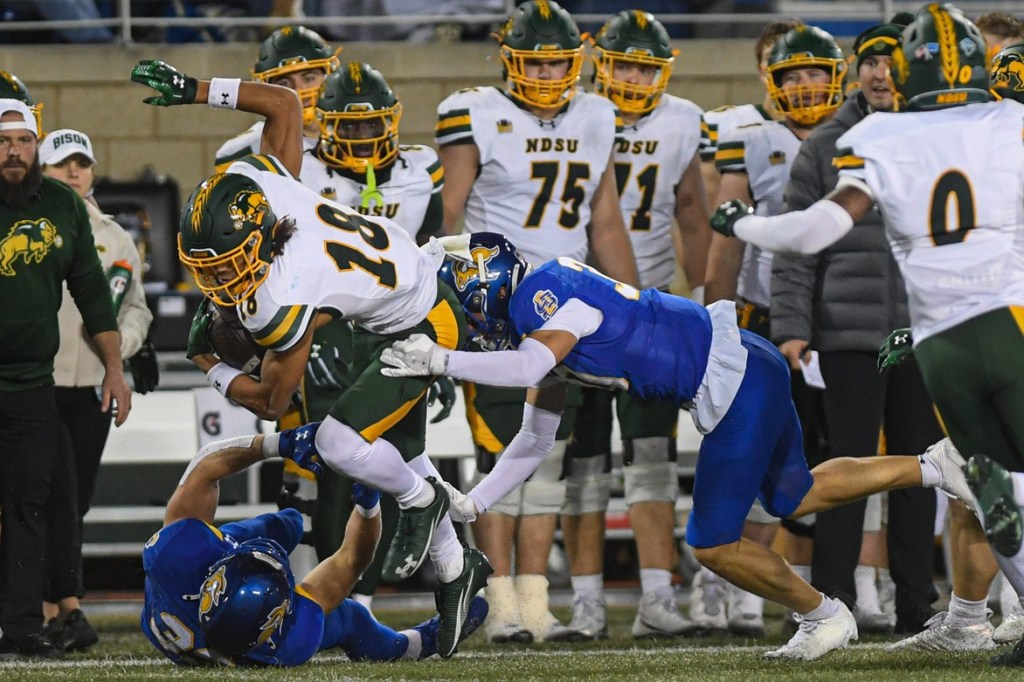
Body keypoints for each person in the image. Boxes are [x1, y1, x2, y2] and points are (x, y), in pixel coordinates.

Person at [378, 230, 973, 661]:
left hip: (731, 378)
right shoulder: (544, 325)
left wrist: (440, 361)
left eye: (461, 305)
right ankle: (933, 466)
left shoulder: (541, 298)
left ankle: (824, 615)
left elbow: (528, 364)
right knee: (795, 493)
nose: (464, 322)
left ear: (482, 289)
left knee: (712, 543)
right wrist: (475, 502)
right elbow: (534, 439)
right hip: (747, 359)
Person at [130, 58, 489, 659]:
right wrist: (196, 90)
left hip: (422, 319)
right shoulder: (260, 183)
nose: (217, 281)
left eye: (226, 265)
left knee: (337, 442)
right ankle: (457, 570)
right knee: (403, 451)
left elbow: (272, 402)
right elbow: (285, 104)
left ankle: (422, 504)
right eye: (206, 268)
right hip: (391, 303)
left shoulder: (282, 293)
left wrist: (210, 365)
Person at [709, 2, 1024, 666]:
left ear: (906, 74)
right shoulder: (1009, 120)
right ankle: (978, 616)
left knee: (988, 483)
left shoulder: (881, 136)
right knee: (995, 482)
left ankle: (984, 614)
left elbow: (814, 230)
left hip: (941, 340)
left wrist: (741, 224)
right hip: (1006, 322)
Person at [435, 0, 640, 643]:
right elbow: (448, 217)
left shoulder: (597, 113)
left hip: (568, 310)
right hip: (495, 306)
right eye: (536, 62)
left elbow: (605, 221)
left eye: (558, 62)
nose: (548, 74)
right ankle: (500, 605)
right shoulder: (474, 111)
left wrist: (636, 304)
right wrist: (439, 306)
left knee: (544, 461)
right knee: (500, 453)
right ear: (508, 58)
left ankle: (534, 604)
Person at [770, 18, 947, 638]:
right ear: (857, 70)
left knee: (922, 471)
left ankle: (917, 605)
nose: (880, 73)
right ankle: (832, 599)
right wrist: (792, 326)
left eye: (891, 62)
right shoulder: (825, 144)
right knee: (844, 470)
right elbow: (796, 244)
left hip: (923, 334)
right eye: (871, 61)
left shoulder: (937, 136)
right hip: (847, 335)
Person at [554, 9, 710, 642]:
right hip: (580, 310)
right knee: (583, 461)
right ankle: (587, 601)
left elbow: (693, 214)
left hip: (650, 306)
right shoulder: (577, 114)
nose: (635, 79)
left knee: (652, 457)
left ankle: (657, 597)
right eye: (625, 66)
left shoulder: (683, 119)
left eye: (647, 69)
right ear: (600, 65)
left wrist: (704, 298)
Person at [702, 23, 848, 637]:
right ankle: (743, 591)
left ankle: (831, 586)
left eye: (817, 73)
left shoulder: (860, 132)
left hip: (841, 317)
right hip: (765, 315)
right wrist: (716, 316)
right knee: (763, 457)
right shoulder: (750, 138)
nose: (807, 85)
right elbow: (726, 237)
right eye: (795, 75)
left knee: (832, 454)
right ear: (771, 79)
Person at [296, 61, 451, 611]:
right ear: (325, 124)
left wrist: (444, 350)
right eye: (351, 125)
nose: (363, 135)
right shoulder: (301, 168)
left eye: (372, 123)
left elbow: (433, 260)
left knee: (397, 455)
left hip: (399, 326)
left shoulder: (421, 169)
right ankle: (334, 597)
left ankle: (363, 602)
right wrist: (302, 339)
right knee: (332, 464)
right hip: (329, 323)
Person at [143, 420, 487, 665]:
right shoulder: (288, 643)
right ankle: (417, 643)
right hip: (230, 630)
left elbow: (205, 469)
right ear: (278, 619)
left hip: (180, 604)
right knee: (351, 617)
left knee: (286, 524)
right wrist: (368, 506)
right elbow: (351, 561)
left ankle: (285, 526)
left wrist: (279, 443)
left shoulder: (175, 557)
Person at [0, 98, 132, 660]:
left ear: (35, 146)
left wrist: (115, 369)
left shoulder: (63, 207)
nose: (14, 152)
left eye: (24, 142)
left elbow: (93, 293)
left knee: (30, 507)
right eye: (3, 141)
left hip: (34, 385)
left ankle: (23, 627)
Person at [38, 127, 153, 651]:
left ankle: (49, 609)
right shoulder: (23, 227)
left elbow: (137, 309)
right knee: (55, 495)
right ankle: (64, 609)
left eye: (81, 163)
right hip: (35, 382)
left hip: (92, 386)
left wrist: (119, 349)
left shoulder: (116, 237)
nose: (73, 171)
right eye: (62, 163)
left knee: (75, 498)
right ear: (41, 171)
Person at [214, 25, 340, 172]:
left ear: (330, 76)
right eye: (284, 83)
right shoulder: (246, 149)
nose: (299, 90)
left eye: (309, 78)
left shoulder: (357, 134)